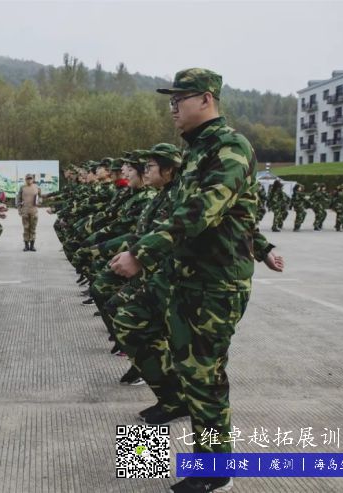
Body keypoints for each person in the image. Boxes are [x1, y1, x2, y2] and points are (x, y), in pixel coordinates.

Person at [109, 68, 273, 493]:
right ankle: (172, 401)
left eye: (178, 100)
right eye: (171, 101)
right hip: (180, 276)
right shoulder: (197, 151)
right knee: (135, 325)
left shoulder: (230, 147)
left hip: (214, 283)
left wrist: (141, 254)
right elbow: (178, 212)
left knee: (204, 374)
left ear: (205, 99)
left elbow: (203, 210)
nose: (172, 109)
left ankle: (215, 471)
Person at [16, 173, 42, 251]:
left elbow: (40, 197)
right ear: (25, 179)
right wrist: (19, 209)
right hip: (25, 211)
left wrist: (39, 201)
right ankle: (26, 245)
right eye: (28, 178)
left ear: (33, 179)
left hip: (34, 211)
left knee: (33, 228)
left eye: (30, 178)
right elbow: (18, 199)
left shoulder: (37, 187)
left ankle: (32, 246)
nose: (29, 180)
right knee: (26, 228)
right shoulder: (22, 188)